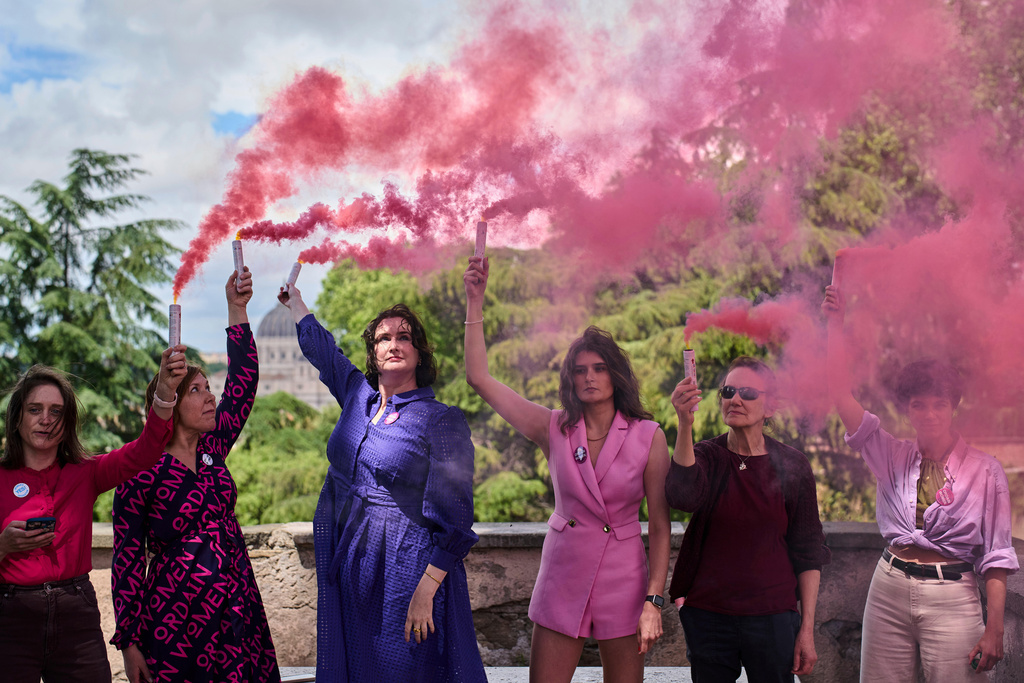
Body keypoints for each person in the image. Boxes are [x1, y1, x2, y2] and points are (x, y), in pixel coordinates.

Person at [463, 256, 671, 683]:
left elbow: (662, 527)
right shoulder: (553, 426)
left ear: (615, 375)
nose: (589, 377)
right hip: (563, 572)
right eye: (580, 371)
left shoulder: (650, 436)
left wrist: (654, 600)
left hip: (624, 578)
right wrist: (475, 301)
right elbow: (479, 377)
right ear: (570, 380)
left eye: (598, 369)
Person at [278, 281, 486, 683]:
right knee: (360, 669)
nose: (394, 344)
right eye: (383, 338)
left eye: (404, 337)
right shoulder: (358, 396)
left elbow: (458, 518)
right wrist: (297, 303)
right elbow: (325, 353)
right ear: (373, 352)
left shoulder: (440, 419)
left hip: (408, 573)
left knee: (404, 669)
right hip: (355, 570)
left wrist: (426, 591)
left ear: (419, 351)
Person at [822, 285, 1018, 681]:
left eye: (939, 404)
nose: (929, 413)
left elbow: (997, 556)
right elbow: (838, 393)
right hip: (888, 588)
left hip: (953, 598)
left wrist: (994, 629)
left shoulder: (986, 471)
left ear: (953, 406)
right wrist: (834, 324)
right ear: (907, 409)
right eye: (918, 404)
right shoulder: (890, 453)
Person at [110, 268, 280, 683]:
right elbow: (128, 558)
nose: (211, 397)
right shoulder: (140, 470)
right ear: (169, 401)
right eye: (197, 391)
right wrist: (129, 643)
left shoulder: (213, 447)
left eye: (208, 387)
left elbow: (243, 381)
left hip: (237, 609)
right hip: (176, 621)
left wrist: (236, 307)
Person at [0, 349, 185, 682]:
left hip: (76, 616)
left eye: (56, 411)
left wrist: (166, 393)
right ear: (17, 419)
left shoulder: (87, 473)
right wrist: (3, 546)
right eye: (34, 410)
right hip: (10, 616)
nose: (46, 419)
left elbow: (147, 449)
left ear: (67, 422)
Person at [667, 356, 829, 683]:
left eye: (748, 393)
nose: (735, 399)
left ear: (770, 407)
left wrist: (806, 630)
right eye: (728, 391)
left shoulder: (792, 466)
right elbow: (682, 497)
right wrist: (684, 423)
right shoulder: (708, 456)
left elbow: (809, 551)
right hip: (708, 617)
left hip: (773, 619)